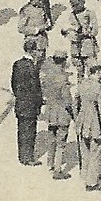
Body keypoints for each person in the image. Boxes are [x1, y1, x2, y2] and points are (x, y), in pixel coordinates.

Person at [74, 64, 101, 190]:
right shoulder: (97, 88)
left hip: (82, 121)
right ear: (97, 73)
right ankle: (92, 183)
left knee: (85, 151)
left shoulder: (82, 84)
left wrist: (77, 117)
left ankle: (84, 174)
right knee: (96, 152)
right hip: (94, 123)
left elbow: (76, 102)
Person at [40, 47, 75, 180]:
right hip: (61, 114)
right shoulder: (62, 79)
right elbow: (67, 101)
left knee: (51, 138)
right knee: (61, 142)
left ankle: (49, 163)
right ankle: (58, 169)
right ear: (64, 62)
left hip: (50, 111)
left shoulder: (48, 75)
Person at [10, 36, 45, 166]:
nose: (40, 53)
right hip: (30, 105)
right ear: (33, 51)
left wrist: (19, 96)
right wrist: (40, 102)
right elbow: (35, 88)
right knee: (29, 132)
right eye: (38, 50)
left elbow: (13, 83)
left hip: (20, 103)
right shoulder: (32, 67)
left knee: (21, 130)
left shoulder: (17, 64)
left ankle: (22, 155)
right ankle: (28, 158)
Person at [68, 0, 99, 78]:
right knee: (79, 70)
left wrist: (87, 33)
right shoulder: (71, 15)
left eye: (76, 4)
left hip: (87, 44)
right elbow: (68, 30)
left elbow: (95, 29)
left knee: (91, 69)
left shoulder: (89, 13)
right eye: (73, 5)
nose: (74, 7)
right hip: (76, 45)